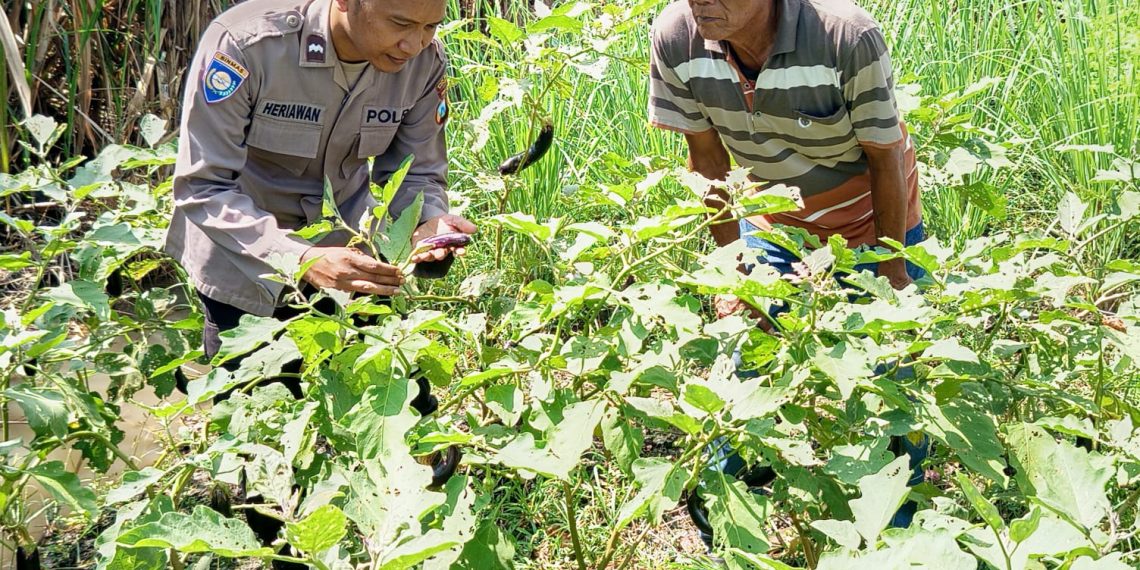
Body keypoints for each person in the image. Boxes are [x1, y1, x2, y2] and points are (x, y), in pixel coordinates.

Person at [165, 0, 473, 565]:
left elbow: (419, 172)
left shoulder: (423, 60)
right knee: (262, 448)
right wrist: (299, 259)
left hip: (351, 258)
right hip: (242, 267)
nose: (415, 44)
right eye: (402, 24)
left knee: (401, 411)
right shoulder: (245, 44)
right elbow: (202, 188)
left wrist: (429, 222)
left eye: (432, 26)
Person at [648, 0, 929, 545]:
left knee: (894, 375)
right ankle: (728, 532)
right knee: (747, 363)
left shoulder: (846, 36)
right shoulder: (676, 36)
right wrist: (734, 276)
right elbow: (707, 161)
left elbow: (885, 158)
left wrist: (892, 276)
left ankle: (899, 534)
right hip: (775, 220)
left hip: (874, 219)